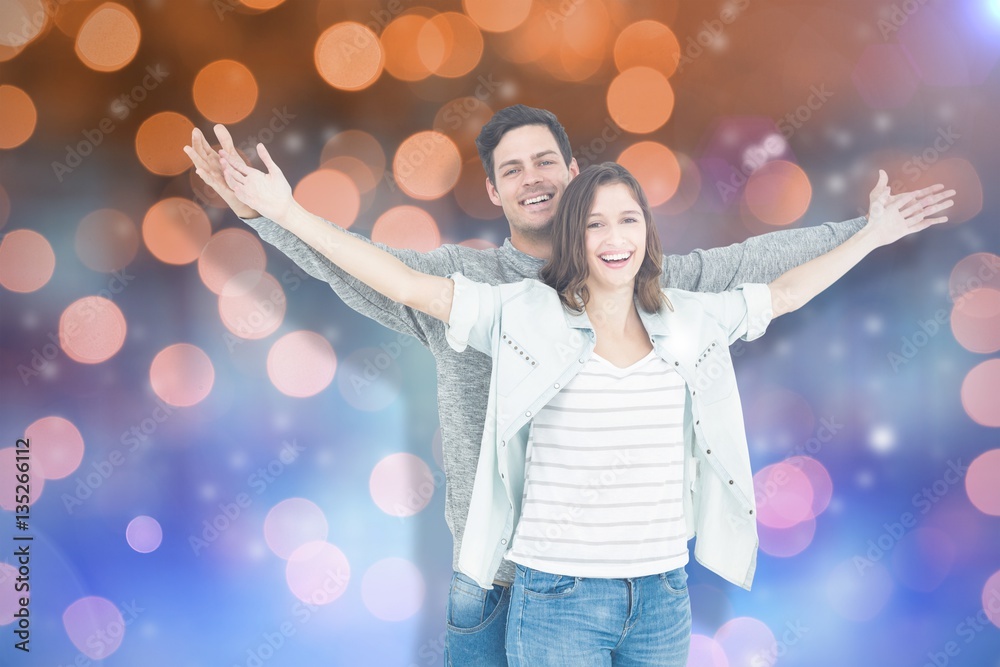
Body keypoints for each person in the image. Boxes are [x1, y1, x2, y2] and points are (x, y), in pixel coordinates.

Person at [184, 104, 951, 665]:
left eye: (545, 161)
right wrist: (272, 217)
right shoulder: (482, 290)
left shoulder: (669, 294)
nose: (532, 179)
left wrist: (868, 230)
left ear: (577, 177)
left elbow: (768, 271)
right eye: (511, 169)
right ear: (492, 190)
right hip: (501, 579)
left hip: (646, 586)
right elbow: (368, 268)